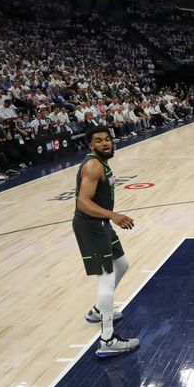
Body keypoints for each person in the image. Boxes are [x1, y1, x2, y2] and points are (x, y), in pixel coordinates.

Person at [73, 126, 139, 357]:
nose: (105, 143)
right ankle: (107, 340)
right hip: (92, 226)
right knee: (107, 276)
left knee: (122, 264)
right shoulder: (93, 165)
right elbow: (82, 202)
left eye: (107, 139)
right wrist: (114, 215)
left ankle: (98, 311)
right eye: (99, 141)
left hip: (101, 224)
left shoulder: (101, 163)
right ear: (90, 145)